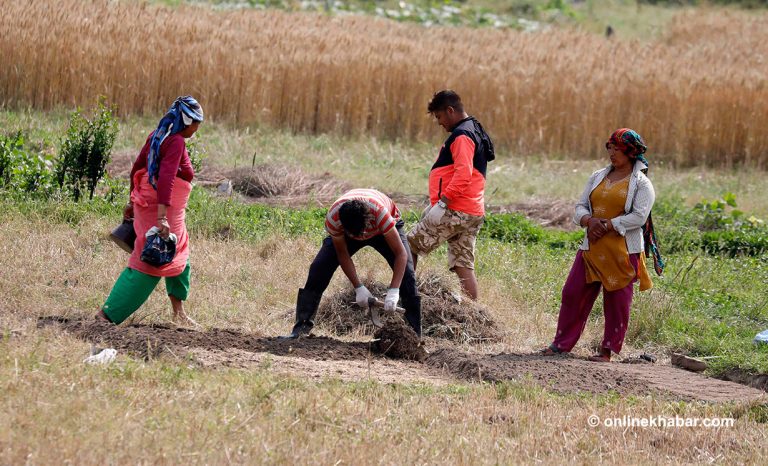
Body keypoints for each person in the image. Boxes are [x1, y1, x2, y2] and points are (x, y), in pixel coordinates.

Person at [541, 128, 664, 362]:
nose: (612, 153)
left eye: (617, 149)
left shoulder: (642, 184)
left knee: (616, 303)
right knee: (573, 293)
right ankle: (560, 345)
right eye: (610, 148)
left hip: (622, 251)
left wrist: (607, 225)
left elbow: (639, 217)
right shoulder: (598, 176)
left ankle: (607, 352)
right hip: (592, 248)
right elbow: (580, 207)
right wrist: (589, 220)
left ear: (630, 152)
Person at [95, 96, 204, 326]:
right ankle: (107, 315)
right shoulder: (175, 142)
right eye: (196, 122)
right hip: (162, 207)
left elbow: (137, 168)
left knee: (180, 252)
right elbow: (165, 179)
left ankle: (178, 312)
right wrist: (162, 217)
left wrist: (131, 201)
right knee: (152, 259)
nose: (197, 128)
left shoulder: (157, 135)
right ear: (186, 120)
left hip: (155, 204)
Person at [281, 189, 422, 339]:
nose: (363, 238)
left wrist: (394, 290)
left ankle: (414, 336)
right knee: (319, 268)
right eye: (355, 235)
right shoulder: (334, 219)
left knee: (407, 273)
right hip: (355, 227)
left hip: (384, 227)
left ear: (367, 222)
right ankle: (300, 330)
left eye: (363, 233)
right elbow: (342, 254)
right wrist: (358, 287)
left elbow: (401, 254)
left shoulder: (380, 214)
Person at [407, 90, 495, 300]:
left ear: (450, 111)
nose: (439, 123)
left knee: (408, 245)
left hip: (456, 208)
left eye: (439, 116)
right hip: (472, 211)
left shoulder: (462, 136)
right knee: (462, 264)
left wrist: (443, 203)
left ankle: (406, 297)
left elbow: (463, 174)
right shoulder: (475, 129)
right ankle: (473, 313)